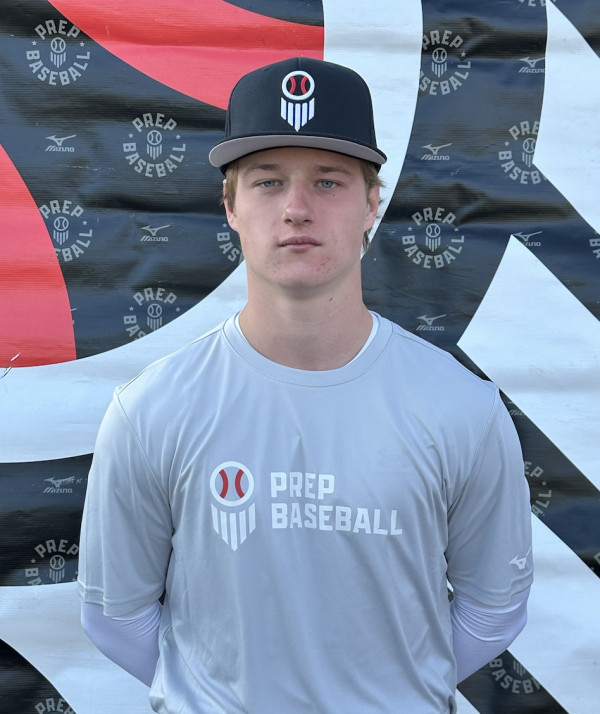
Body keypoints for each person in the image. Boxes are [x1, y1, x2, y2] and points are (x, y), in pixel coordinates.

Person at [78, 57, 533, 713]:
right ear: (230, 206)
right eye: (267, 182)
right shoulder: (152, 409)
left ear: (372, 203)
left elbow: (493, 611)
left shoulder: (462, 408)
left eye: (328, 181)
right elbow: (114, 617)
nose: (296, 209)